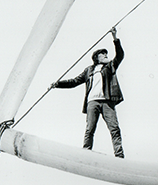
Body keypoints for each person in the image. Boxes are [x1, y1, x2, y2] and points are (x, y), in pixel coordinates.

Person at [51, 27, 125, 158]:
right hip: (92, 102)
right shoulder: (89, 70)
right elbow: (74, 81)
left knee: (114, 128)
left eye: (106, 54)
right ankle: (86, 153)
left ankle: (119, 156)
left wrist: (115, 38)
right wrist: (58, 84)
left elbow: (119, 55)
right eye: (103, 54)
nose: (106, 55)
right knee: (90, 129)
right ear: (96, 58)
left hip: (107, 102)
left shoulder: (110, 67)